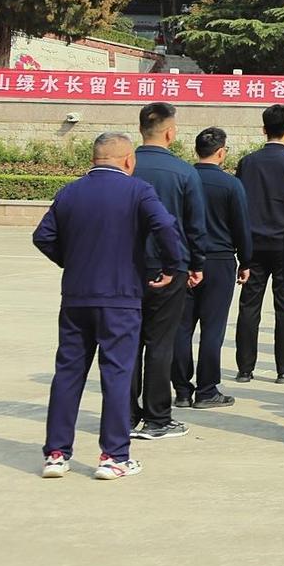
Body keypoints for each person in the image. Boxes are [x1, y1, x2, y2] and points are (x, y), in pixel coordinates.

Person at [34, 133, 184, 480]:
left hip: (76, 296)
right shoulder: (138, 191)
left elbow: (43, 236)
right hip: (120, 297)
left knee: (68, 373)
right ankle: (113, 456)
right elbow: (164, 224)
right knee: (116, 374)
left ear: (94, 158)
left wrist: (71, 261)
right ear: (129, 160)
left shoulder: (70, 192)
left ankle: (56, 454)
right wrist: (172, 265)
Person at [129, 102, 209, 441]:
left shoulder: (124, 164)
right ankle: (157, 417)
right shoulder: (184, 172)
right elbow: (194, 226)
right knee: (161, 343)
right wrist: (196, 265)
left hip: (125, 270)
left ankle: (126, 415)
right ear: (170, 132)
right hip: (169, 268)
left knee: (128, 343)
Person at [173, 127, 251, 409]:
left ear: (197, 150)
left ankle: (182, 390)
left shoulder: (182, 178)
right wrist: (246, 260)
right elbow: (241, 226)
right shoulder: (231, 185)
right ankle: (207, 390)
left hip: (184, 260)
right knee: (212, 328)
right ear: (221, 152)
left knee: (181, 328)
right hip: (219, 261)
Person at [235, 104, 284, 385]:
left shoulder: (247, 163)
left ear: (264, 129)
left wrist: (241, 252)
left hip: (253, 245)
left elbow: (240, 205)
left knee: (249, 306)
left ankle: (245, 369)